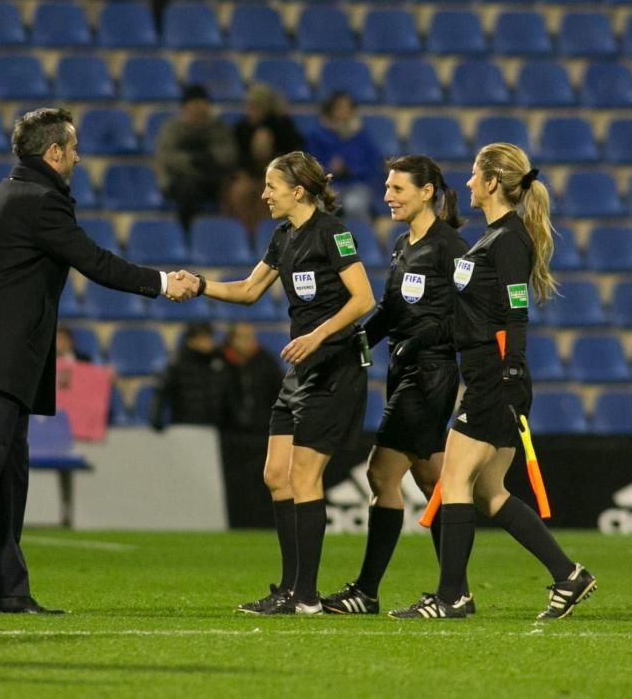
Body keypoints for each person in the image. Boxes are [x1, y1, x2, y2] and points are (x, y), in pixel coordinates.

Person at [0, 107, 197, 615]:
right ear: (53, 153)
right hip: (0, 358)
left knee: (8, 474)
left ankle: (9, 590)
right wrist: (162, 282)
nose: (77, 157)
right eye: (72, 149)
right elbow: (93, 261)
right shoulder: (42, 203)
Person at [390, 143, 596, 620]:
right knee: (489, 492)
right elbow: (473, 316)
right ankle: (568, 576)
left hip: (493, 377)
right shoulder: (491, 238)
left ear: (491, 183)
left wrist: (510, 372)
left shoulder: (508, 241)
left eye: (473, 176)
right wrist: (423, 339)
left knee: (456, 479)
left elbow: (515, 311)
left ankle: (451, 597)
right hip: (485, 371)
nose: (466, 184)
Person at [189, 151, 375, 614]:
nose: (263, 194)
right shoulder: (282, 236)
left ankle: (306, 596)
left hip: (335, 365)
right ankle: (292, 588)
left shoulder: (332, 232)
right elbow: (249, 291)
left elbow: (364, 298)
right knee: (276, 474)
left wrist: (316, 335)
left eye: (271, 186)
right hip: (302, 370)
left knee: (305, 476)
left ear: (298, 190)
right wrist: (198, 285)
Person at [320, 155, 470, 615]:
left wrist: (422, 339)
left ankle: (366, 590)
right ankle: (456, 592)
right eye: (387, 187)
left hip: (431, 376)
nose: (388, 195)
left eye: (398, 188)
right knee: (433, 480)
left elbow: (468, 319)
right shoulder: (405, 243)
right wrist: (356, 340)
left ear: (427, 192)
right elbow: (391, 309)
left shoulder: (453, 247)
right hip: (404, 372)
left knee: (381, 473)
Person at [222, 84, 304, 236]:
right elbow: (235, 157)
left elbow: (294, 154)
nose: (251, 110)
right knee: (240, 192)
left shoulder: (281, 126)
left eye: (255, 106)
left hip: (276, 176)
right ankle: (246, 234)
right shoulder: (241, 128)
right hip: (249, 174)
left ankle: (268, 236)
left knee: (271, 195)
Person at [154, 84, 238, 232]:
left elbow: (228, 153)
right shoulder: (173, 130)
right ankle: (187, 235)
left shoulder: (217, 128)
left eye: (202, 106)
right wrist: (193, 161)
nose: (199, 111)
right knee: (187, 192)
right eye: (194, 106)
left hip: (211, 179)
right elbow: (167, 157)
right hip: (181, 180)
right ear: (185, 109)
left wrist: (209, 159)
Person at [306, 91, 382, 221]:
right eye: (339, 107)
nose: (344, 111)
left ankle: (354, 240)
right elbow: (309, 166)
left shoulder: (361, 135)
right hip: (327, 186)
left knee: (354, 205)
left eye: (348, 107)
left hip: (357, 185)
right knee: (321, 205)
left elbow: (372, 164)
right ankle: (323, 240)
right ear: (331, 110)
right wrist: (328, 169)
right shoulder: (318, 135)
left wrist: (350, 170)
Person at [149, 321, 230, 430]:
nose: (208, 342)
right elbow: (162, 391)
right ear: (191, 340)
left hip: (215, 427)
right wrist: (156, 419)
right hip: (185, 426)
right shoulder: (177, 363)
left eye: (209, 337)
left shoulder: (218, 361)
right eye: (203, 338)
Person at [220, 321, 283, 434]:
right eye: (243, 337)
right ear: (231, 339)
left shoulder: (266, 361)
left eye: (250, 337)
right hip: (227, 430)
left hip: (262, 428)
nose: (248, 342)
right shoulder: (219, 361)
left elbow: (279, 391)